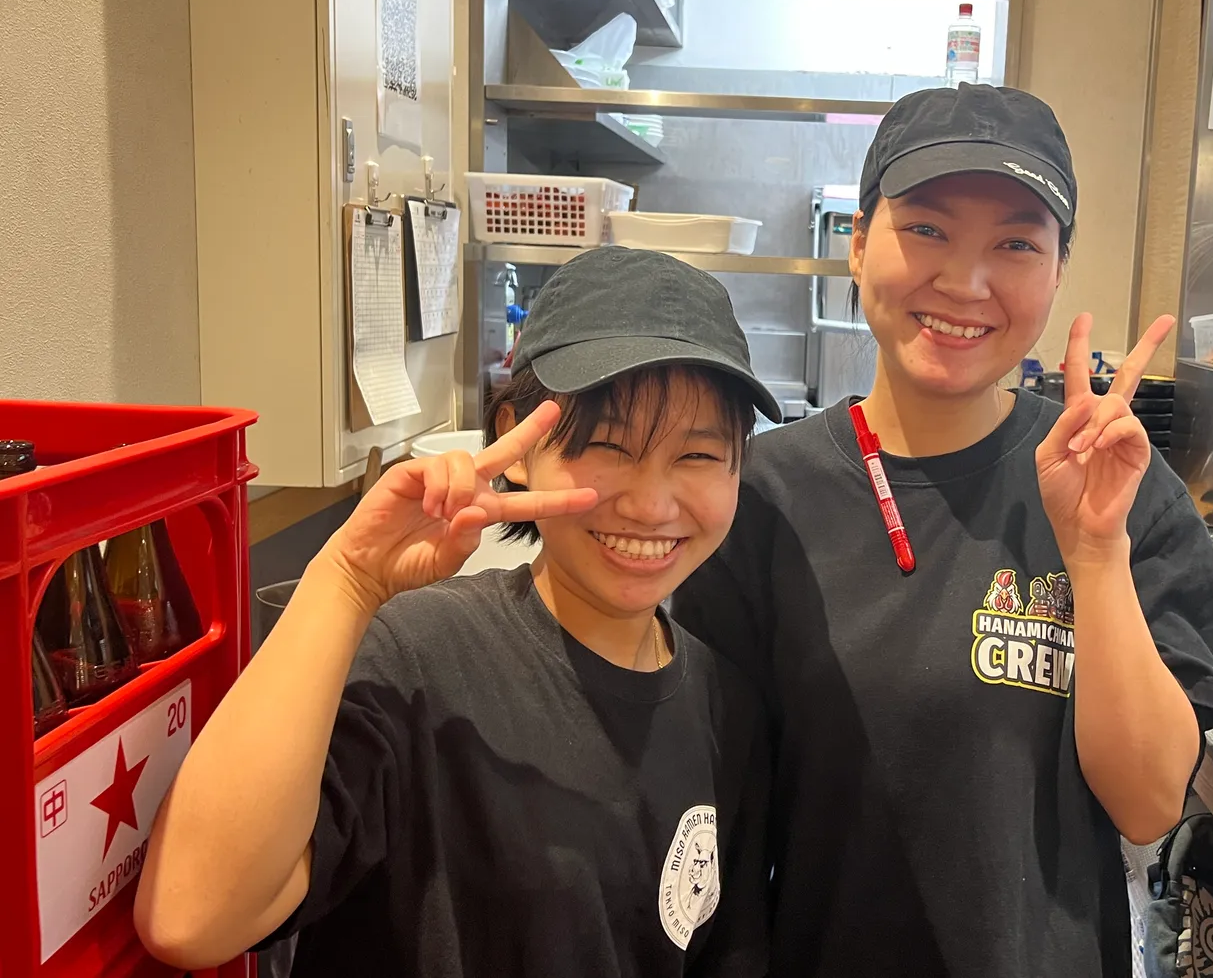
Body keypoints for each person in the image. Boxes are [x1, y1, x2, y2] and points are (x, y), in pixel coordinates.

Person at [672, 84, 1213, 978]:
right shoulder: (761, 501)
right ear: (858, 245)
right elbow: (703, 811)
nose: (965, 282)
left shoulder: (1126, 494)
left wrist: (1094, 553)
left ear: (1057, 271)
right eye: (927, 229)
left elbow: (1148, 803)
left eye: (1015, 243)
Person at [135, 248, 776, 978]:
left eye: (696, 456)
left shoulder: (730, 709)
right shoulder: (418, 659)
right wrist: (347, 579)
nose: (653, 504)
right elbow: (191, 916)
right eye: (607, 445)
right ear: (518, 440)